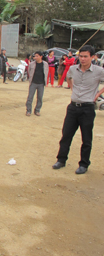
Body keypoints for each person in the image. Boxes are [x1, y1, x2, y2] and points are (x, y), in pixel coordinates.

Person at [52, 45, 104, 174]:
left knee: (86, 139)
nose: (83, 59)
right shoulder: (73, 69)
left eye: (86, 56)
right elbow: (68, 77)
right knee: (66, 135)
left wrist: (97, 95)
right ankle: (61, 160)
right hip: (73, 107)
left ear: (92, 57)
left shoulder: (99, 71)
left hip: (87, 108)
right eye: (81, 56)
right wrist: (72, 89)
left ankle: (84, 164)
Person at [25, 51, 49, 116]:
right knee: (30, 97)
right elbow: (29, 71)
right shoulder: (32, 64)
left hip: (41, 83)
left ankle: (37, 110)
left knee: (40, 98)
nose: (35, 57)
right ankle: (28, 110)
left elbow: (46, 73)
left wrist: (46, 81)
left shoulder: (45, 64)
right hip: (33, 82)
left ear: (41, 56)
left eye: (37, 56)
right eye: (35, 56)